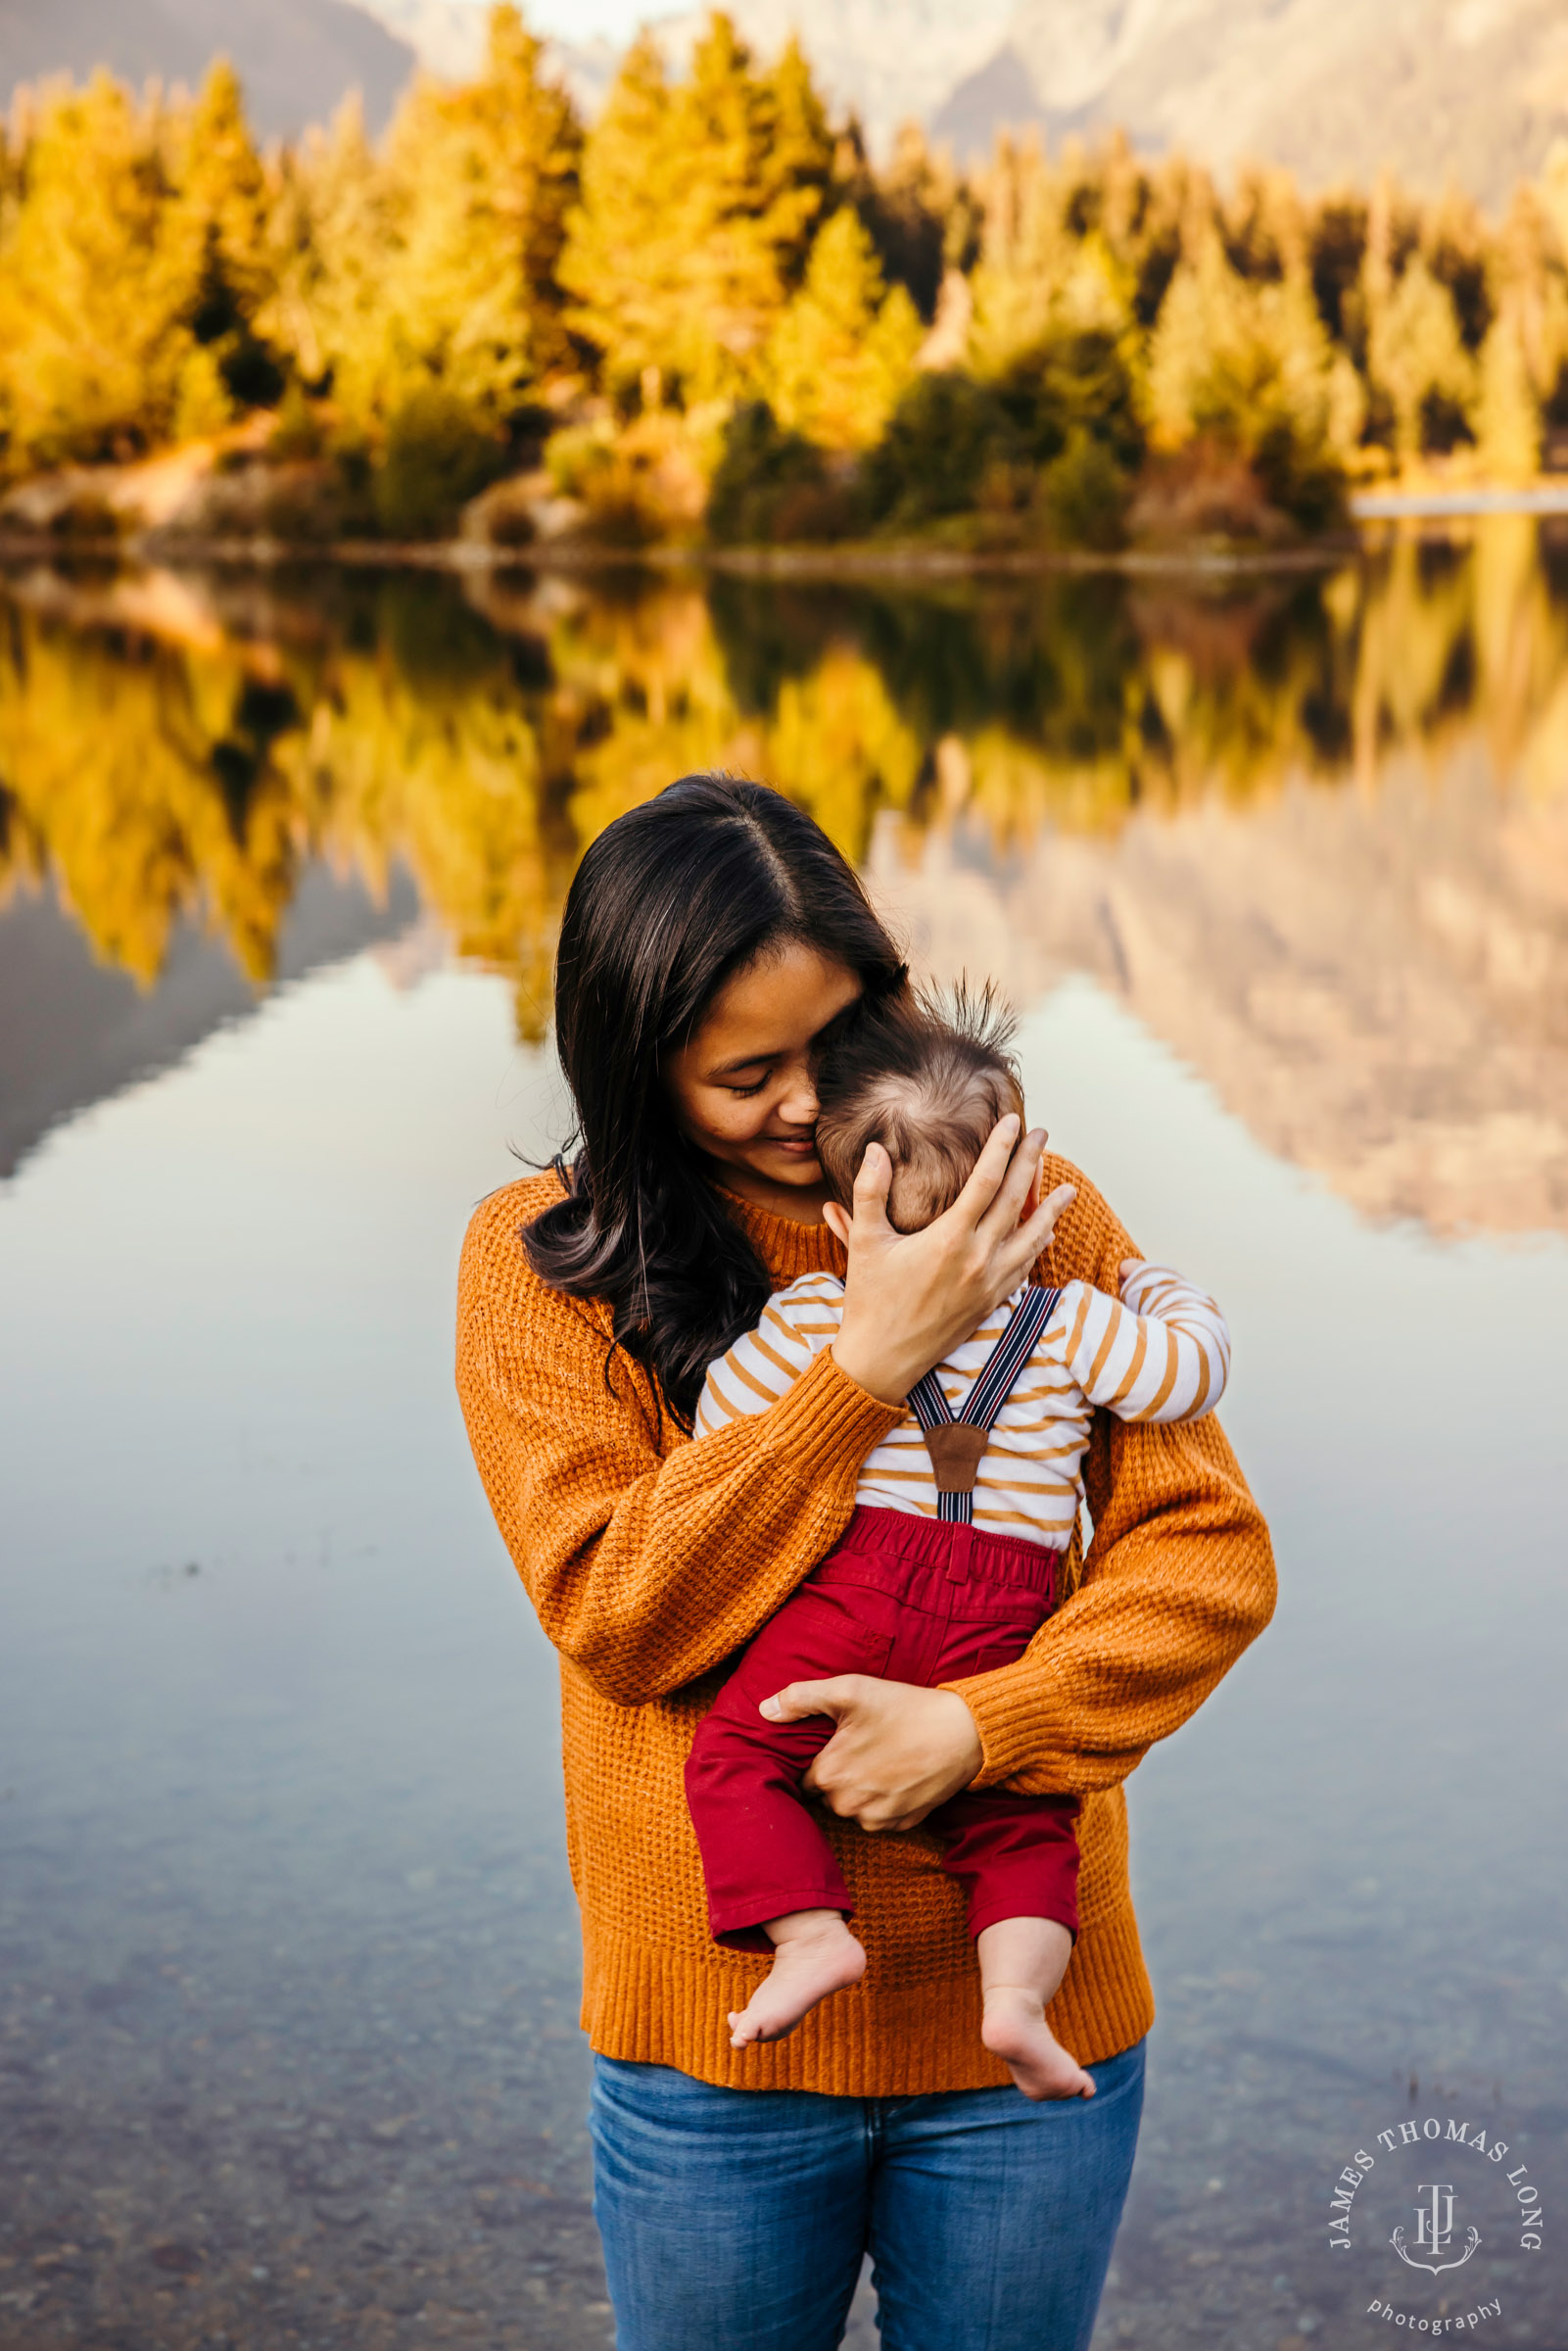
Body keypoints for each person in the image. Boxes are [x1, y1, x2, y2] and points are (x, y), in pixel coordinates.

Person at [455, 773, 1275, 2351]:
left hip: (1027, 2036)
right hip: (720, 2048)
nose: (807, 1106)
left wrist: (985, 1731)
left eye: (836, 1045)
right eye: (743, 1074)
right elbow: (618, 1611)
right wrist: (863, 1369)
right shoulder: (542, 1265)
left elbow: (1209, 1554)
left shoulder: (1019, 1200)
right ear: (637, 1072)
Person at [686, 988, 1232, 2099]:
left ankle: (806, 1939)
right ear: (1030, 1199)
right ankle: (1017, 2002)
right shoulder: (1073, 1316)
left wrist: (841, 1352)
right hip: (1010, 1609)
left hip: (858, 1593)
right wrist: (1161, 1294)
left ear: (840, 1226)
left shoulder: (809, 1317)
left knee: (740, 1758)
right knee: (1023, 1815)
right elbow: (1185, 1378)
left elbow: (716, 1432)